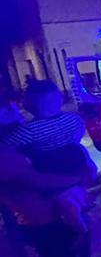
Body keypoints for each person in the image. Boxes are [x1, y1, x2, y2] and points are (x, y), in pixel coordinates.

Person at [0, 90, 101, 257]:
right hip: (41, 220)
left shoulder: (23, 147)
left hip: (52, 213)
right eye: (10, 109)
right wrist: (76, 178)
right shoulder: (9, 155)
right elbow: (38, 181)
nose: (17, 112)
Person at [1, 80, 93, 234]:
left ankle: (79, 227)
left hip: (52, 165)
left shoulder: (30, 129)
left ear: (28, 105)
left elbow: (7, 144)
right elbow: (78, 134)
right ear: (59, 99)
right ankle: (81, 212)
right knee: (73, 192)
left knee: (61, 196)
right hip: (75, 158)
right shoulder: (73, 119)